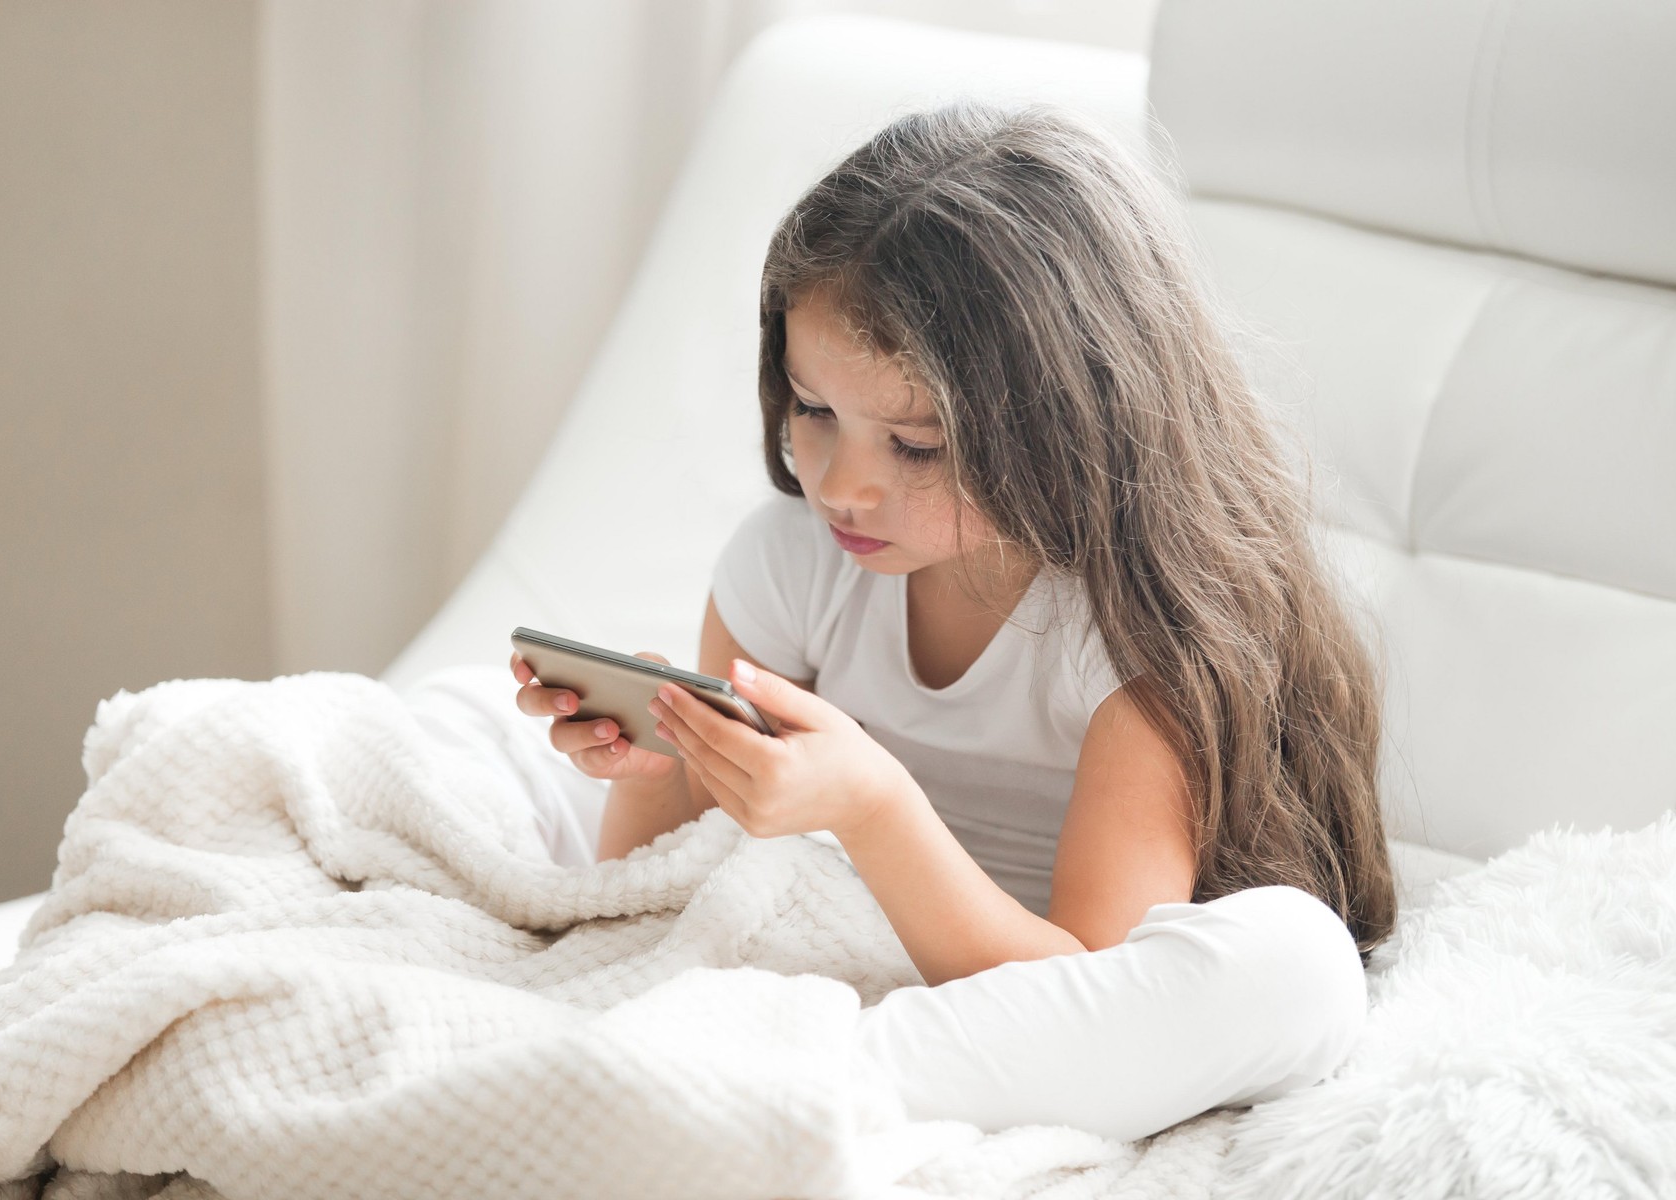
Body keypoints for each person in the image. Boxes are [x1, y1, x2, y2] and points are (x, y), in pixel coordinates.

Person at [490, 99, 1397, 1143]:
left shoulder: (1139, 634)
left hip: (1016, 1001)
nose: (841, 486)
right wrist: (657, 766)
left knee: (1301, 967)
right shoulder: (788, 568)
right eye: (812, 410)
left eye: (914, 445)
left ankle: (752, 1086)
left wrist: (877, 806)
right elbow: (671, 891)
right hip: (824, 959)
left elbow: (1085, 989)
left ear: (1068, 418)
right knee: (451, 728)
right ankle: (743, 1079)